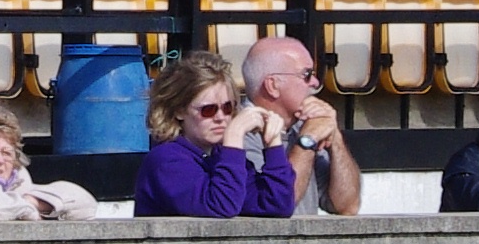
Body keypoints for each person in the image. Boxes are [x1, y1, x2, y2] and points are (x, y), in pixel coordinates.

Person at [132, 51, 296, 217]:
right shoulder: (166, 160)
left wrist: (273, 144)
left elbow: (277, 205)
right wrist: (234, 137)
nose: (220, 118)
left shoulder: (221, 156)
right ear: (179, 111)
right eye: (208, 110)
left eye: (227, 108)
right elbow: (221, 206)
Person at [237, 35, 365, 218]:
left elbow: (347, 206)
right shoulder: (239, 133)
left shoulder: (303, 126)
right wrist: (307, 142)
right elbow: (278, 202)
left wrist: (334, 136)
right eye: (306, 74)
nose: (315, 82)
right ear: (272, 85)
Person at [0, 104, 94, 220]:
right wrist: (36, 206)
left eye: (7, 153)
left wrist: (32, 201)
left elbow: (87, 203)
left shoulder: (19, 186)